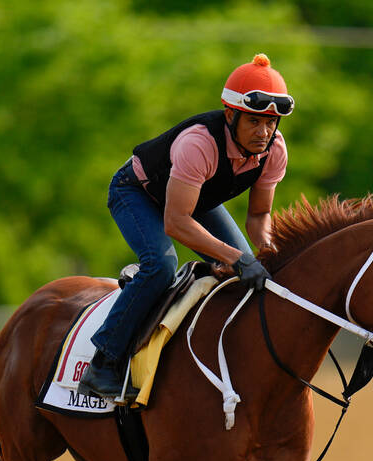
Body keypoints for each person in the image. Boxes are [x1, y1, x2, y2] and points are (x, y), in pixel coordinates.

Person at [78, 53, 293, 398]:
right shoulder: (199, 144)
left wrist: (267, 254)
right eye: (254, 121)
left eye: (270, 123)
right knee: (161, 265)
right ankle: (103, 362)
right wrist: (237, 258)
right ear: (230, 115)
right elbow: (176, 223)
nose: (264, 132)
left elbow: (258, 217)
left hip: (194, 202)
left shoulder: (274, 151)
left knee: (251, 268)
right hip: (136, 193)